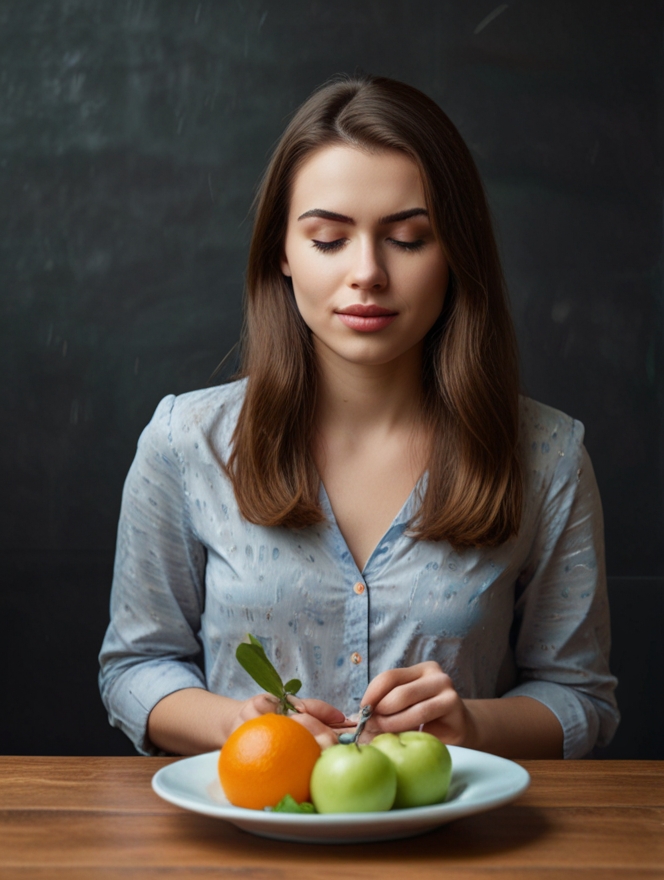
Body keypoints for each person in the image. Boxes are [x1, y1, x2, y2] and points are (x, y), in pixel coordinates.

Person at [99, 75, 619, 760]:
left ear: (456, 254)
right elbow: (134, 667)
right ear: (281, 252)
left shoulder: (548, 456)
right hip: (245, 851)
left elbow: (581, 697)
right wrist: (236, 727)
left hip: (456, 853)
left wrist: (474, 724)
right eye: (328, 239)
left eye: (407, 239)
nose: (368, 272)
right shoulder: (184, 443)